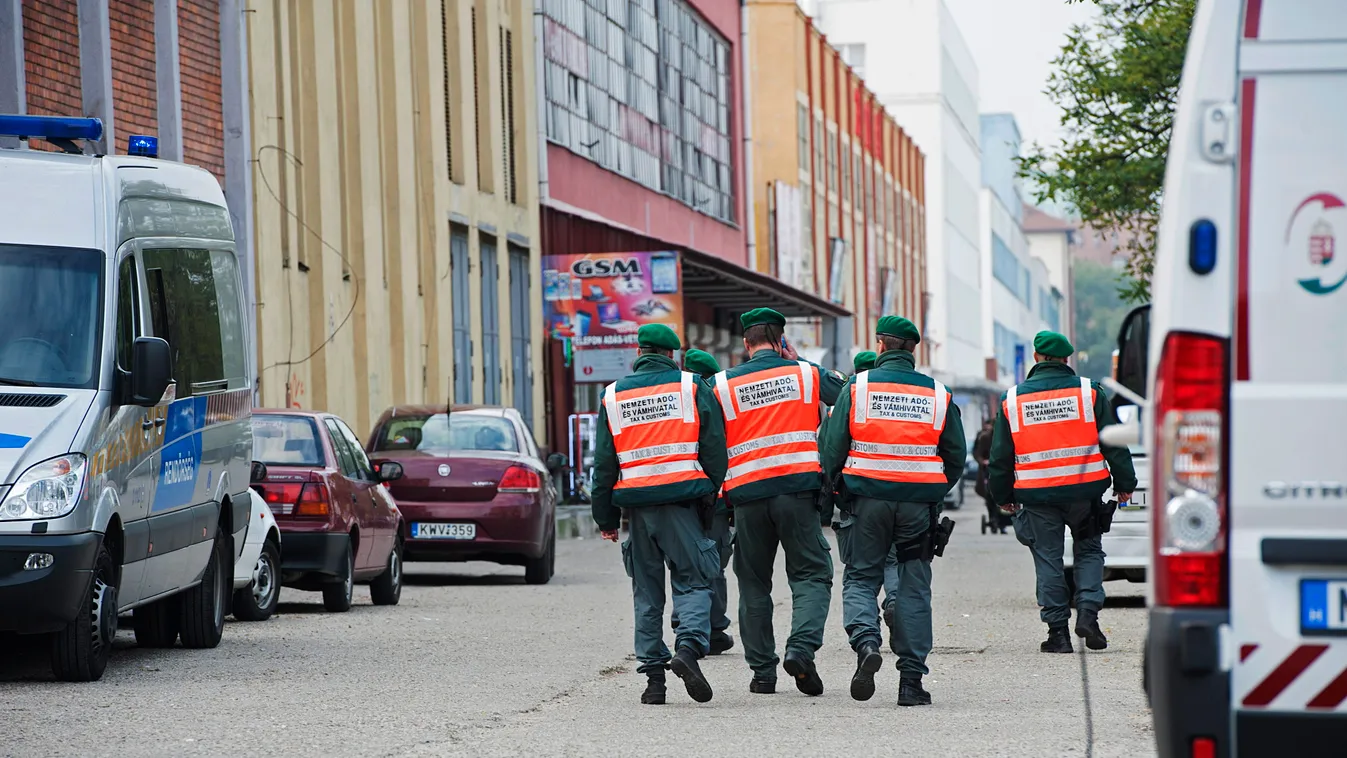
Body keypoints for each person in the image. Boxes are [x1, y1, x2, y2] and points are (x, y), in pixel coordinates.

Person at [822, 316, 967, 707]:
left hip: (866, 502)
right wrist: (934, 489)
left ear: (881, 346)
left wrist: (838, 491)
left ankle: (867, 642)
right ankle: (911, 682)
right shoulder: (938, 393)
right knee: (914, 587)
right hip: (918, 507)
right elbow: (956, 455)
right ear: (912, 349)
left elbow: (834, 447)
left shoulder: (858, 387)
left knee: (861, 577)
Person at [712, 307, 847, 696]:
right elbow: (850, 394)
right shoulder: (806, 373)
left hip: (747, 497)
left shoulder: (721, 384)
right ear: (782, 340)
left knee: (754, 583)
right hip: (798, 494)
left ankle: (762, 674)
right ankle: (801, 650)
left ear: (745, 342)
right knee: (811, 575)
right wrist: (800, 361)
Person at [591, 325, 729, 704]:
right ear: (673, 354)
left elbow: (603, 464)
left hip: (636, 509)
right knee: (695, 580)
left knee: (647, 594)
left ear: (639, 351)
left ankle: (654, 683)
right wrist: (709, 491)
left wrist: (604, 518)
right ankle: (687, 650)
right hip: (683, 503)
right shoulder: (690, 386)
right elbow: (715, 447)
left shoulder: (613, 395)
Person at [988, 331, 1137, 654]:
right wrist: (1125, 484)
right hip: (1084, 495)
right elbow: (1114, 443)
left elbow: (1000, 456)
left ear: (1037, 358)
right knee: (1089, 552)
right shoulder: (1089, 393)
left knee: (1048, 559)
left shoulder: (1013, 399)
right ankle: (1088, 614)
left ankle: (1058, 634)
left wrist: (1002, 496)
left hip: (1037, 496)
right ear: (1067, 359)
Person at [668, 348, 734, 656]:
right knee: (712, 563)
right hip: (715, 498)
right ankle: (713, 627)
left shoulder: (678, 400)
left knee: (682, 560)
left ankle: (684, 618)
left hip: (681, 494)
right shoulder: (718, 402)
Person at [973, 420, 1007, 533]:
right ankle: (993, 518)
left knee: (1003, 494)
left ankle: (1003, 520)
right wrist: (983, 461)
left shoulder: (1004, 438)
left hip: (1002, 470)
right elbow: (978, 453)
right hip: (987, 471)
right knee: (989, 496)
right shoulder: (984, 438)